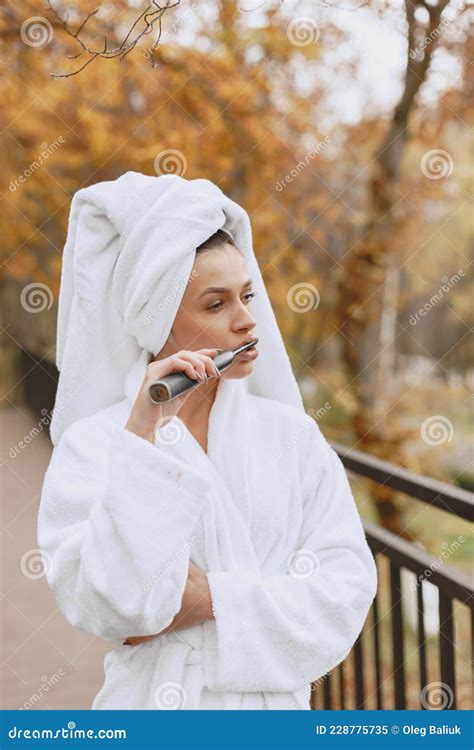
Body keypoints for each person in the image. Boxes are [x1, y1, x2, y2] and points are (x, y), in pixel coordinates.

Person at [37, 171, 377, 710]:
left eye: (247, 295)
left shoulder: (292, 436)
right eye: (215, 305)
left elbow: (344, 595)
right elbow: (114, 610)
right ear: (157, 320)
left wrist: (208, 599)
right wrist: (142, 436)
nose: (248, 321)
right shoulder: (97, 445)